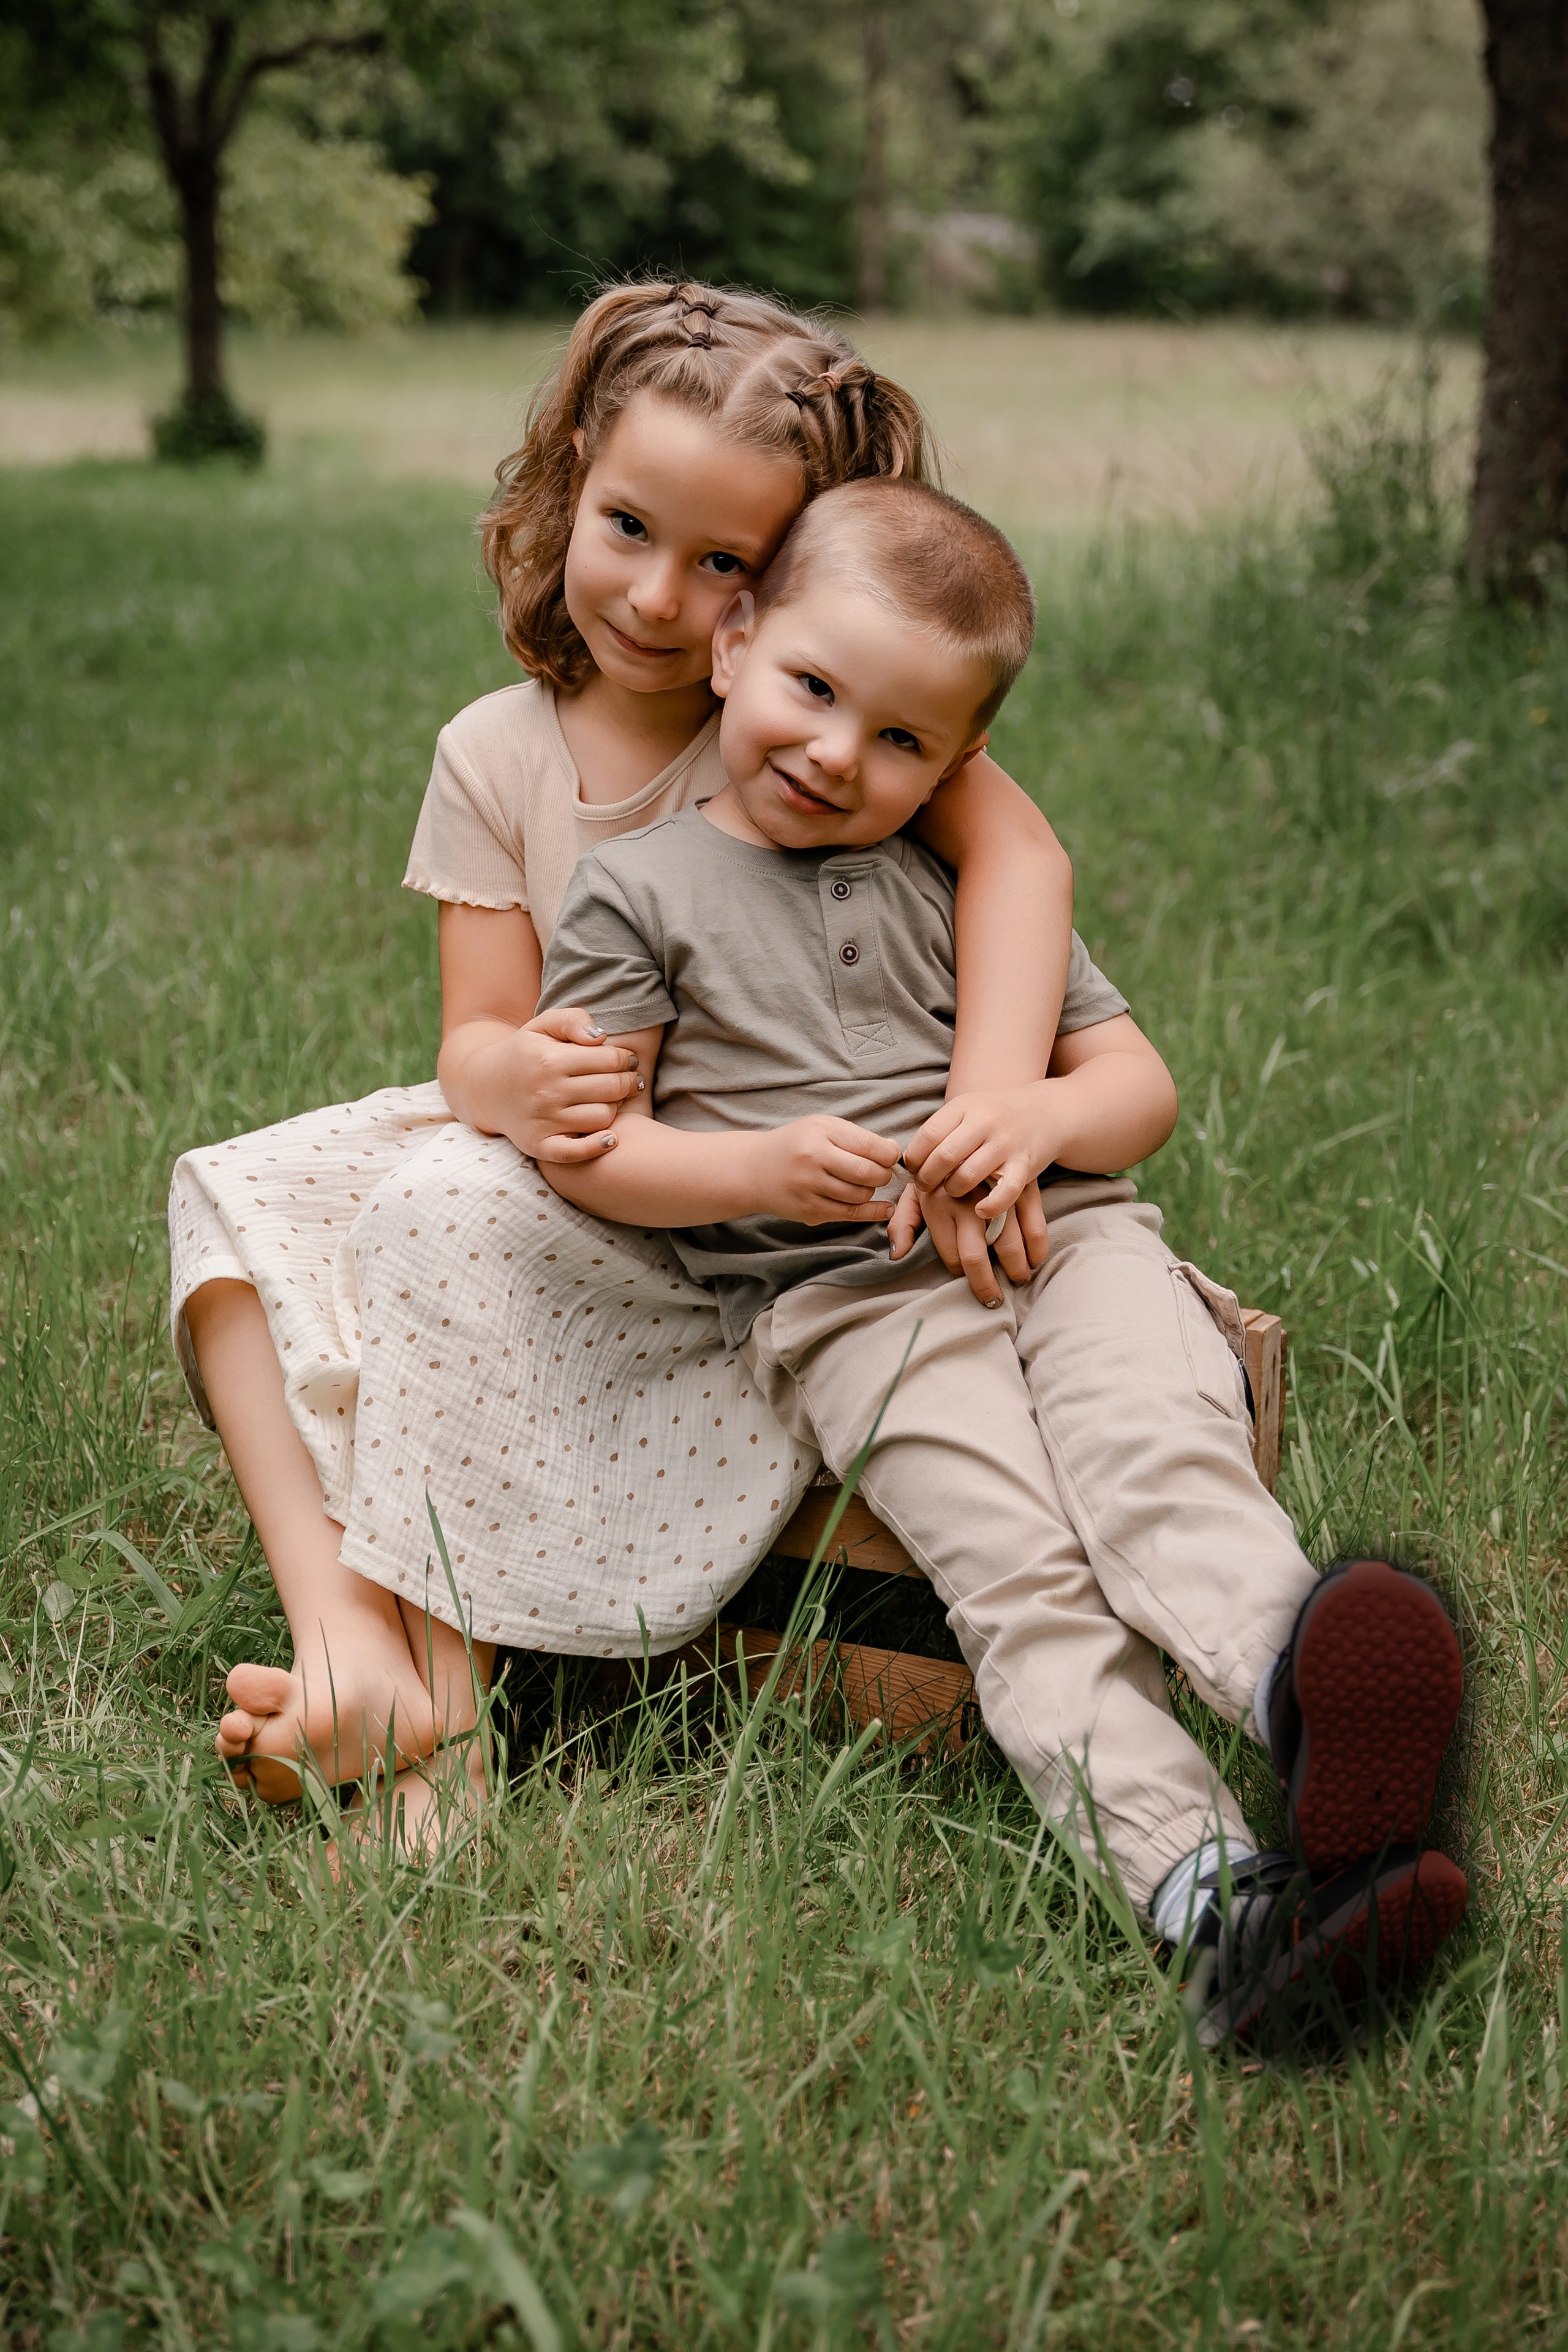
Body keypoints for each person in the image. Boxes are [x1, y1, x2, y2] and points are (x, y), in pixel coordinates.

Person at [532, 474, 1468, 2043]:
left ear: (960, 761)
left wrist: (1027, 1120)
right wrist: (754, 1164)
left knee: (1153, 1452)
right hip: (847, 1304)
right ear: (735, 641)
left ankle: (1311, 1703)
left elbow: (1136, 1092)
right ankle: (1216, 1904)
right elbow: (594, 1149)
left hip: (1073, 1241)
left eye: (900, 740)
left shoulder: (952, 875)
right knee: (1020, 1573)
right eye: (814, 691)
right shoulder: (633, 890)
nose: (839, 754)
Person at [168, 280, 1074, 1846]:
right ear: (570, 476)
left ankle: (444, 1722)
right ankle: (350, 1642)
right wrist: (502, 1081)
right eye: (629, 526)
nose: (659, 599)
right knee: (236, 1206)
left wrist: (989, 1099)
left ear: (782, 581)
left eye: (723, 563)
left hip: (751, 1219)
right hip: (574, 1175)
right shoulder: (496, 752)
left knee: (439, 1212)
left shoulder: (830, 727)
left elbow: (1026, 865)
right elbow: (477, 1041)